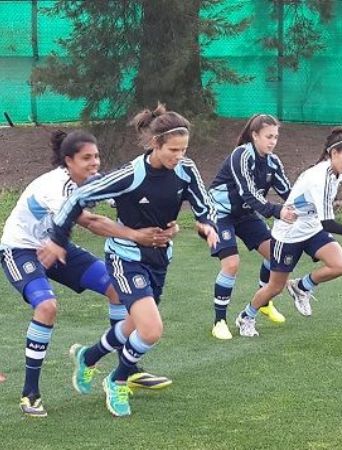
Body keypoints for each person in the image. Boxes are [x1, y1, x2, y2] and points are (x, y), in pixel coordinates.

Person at [40, 104, 219, 417]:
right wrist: (57, 240)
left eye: (184, 149)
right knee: (151, 329)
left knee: (134, 324)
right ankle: (118, 379)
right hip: (125, 259)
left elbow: (204, 206)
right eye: (173, 150)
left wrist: (207, 226)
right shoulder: (131, 175)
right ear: (155, 144)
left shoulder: (186, 169)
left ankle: (88, 356)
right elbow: (78, 198)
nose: (179, 156)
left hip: (160, 258)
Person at [1, 130, 174, 417]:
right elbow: (91, 222)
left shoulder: (91, 180)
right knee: (46, 306)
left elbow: (120, 199)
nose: (94, 163)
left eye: (96, 156)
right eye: (86, 158)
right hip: (20, 249)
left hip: (57, 245)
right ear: (68, 161)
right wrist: (135, 235)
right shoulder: (55, 186)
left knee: (118, 291)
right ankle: (30, 392)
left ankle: (124, 370)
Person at [234, 126, 342, 337]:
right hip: (289, 234)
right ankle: (246, 316)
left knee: (340, 265)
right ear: (333, 153)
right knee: (275, 287)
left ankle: (302, 286)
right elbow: (329, 224)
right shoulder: (319, 177)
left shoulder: (336, 172)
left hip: (312, 228)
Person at [205, 113, 297, 340]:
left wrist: (307, 206)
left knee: (276, 254)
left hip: (246, 214)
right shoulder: (241, 155)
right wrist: (278, 211)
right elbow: (248, 192)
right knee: (232, 264)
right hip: (221, 213)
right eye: (268, 136)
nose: (272, 141)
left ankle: (264, 302)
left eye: (275, 137)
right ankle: (219, 321)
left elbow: (290, 193)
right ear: (254, 135)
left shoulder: (273, 162)